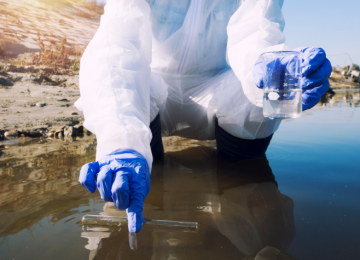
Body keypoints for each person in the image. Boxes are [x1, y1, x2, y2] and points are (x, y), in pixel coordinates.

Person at [76, 0, 332, 233]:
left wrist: (272, 67)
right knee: (120, 88)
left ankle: (242, 195)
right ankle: (135, 159)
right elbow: (119, 43)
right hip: (154, 86)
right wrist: (120, 141)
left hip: (219, 86)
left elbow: (256, 31)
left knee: (261, 100)